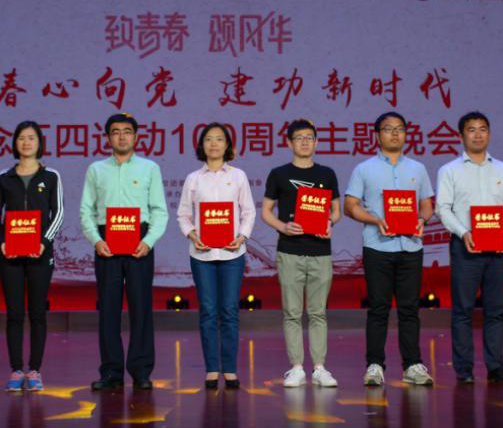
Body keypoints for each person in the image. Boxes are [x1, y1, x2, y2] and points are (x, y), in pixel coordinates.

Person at [344, 111, 435, 387]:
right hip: (378, 247)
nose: (395, 133)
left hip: (411, 247)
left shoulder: (418, 168)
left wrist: (422, 220)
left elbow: (427, 204)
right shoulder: (364, 169)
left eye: (400, 129)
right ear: (377, 135)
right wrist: (375, 220)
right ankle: (374, 365)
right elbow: (350, 206)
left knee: (410, 309)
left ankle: (412, 365)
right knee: (378, 308)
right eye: (388, 129)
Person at [79, 113, 168, 390]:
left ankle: (141, 371)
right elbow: (86, 210)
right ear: (108, 137)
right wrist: (96, 240)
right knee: (108, 309)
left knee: (141, 308)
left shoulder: (149, 168)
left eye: (127, 131)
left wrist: (148, 241)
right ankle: (111, 372)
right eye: (116, 131)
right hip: (106, 241)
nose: (121, 136)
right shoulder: (96, 169)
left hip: (139, 241)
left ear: (136, 137)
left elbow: (160, 211)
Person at [434, 112, 503, 385]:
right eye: (471, 130)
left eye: (483, 129)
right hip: (466, 248)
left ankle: (496, 368)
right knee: (463, 310)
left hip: (498, 249)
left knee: (495, 311)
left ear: (489, 134)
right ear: (461, 136)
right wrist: (464, 233)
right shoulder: (449, 170)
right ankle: (464, 370)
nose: (478, 134)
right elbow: (442, 209)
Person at [262, 118, 342, 388]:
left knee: (318, 313)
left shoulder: (327, 174)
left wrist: (329, 223)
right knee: (292, 313)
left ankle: (320, 368)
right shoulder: (279, 174)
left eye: (310, 137)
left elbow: (336, 211)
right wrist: (283, 227)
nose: (305, 142)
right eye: (299, 138)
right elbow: (266, 212)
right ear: (289, 143)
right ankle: (296, 368)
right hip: (290, 251)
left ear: (317, 142)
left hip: (320, 251)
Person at [178, 122, 257, 389]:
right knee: (208, 311)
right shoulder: (193, 178)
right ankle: (212, 369)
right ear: (202, 145)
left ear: (227, 145)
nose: (214, 144)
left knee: (230, 311)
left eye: (219, 139)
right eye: (209, 139)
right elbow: (183, 214)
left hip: (232, 253)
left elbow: (249, 211)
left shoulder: (238, 176)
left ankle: (230, 369)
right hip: (202, 255)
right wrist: (192, 234)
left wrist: (242, 236)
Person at [0, 120, 64, 393]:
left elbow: (58, 213)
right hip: (10, 255)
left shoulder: (51, 176)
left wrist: (44, 242)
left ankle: (34, 370)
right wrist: (2, 241)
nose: (26, 142)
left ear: (39, 142)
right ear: (15, 143)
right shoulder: (4, 177)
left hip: (40, 255)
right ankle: (16, 369)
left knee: (37, 313)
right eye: (21, 137)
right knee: (14, 313)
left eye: (32, 137)